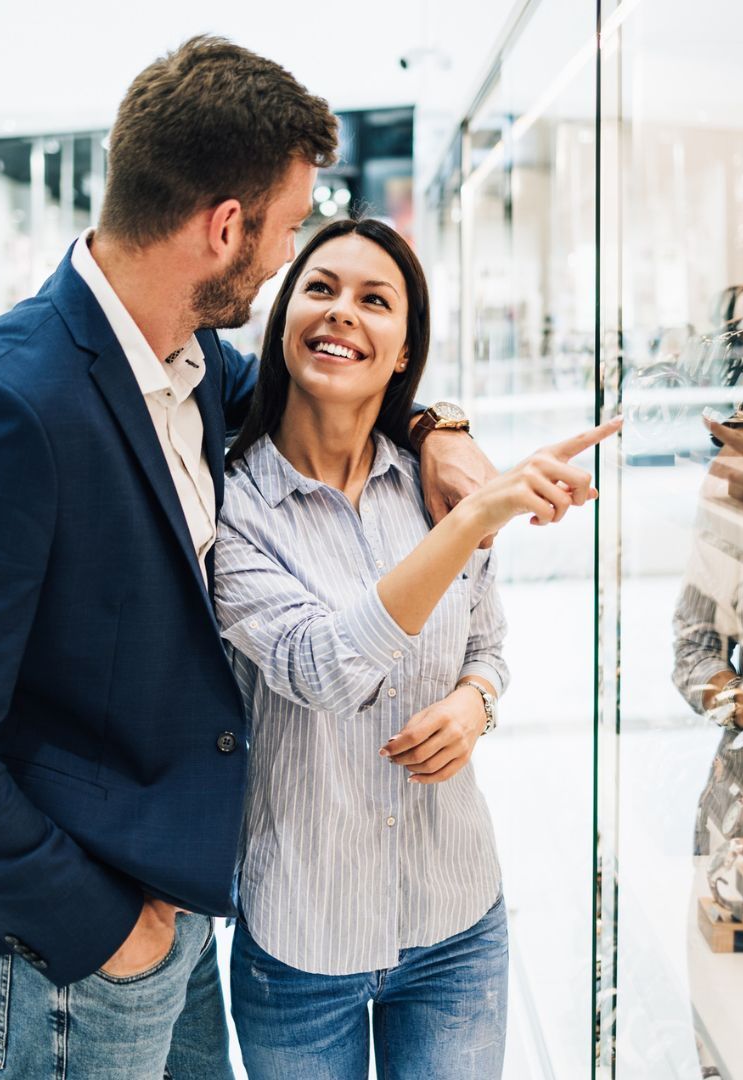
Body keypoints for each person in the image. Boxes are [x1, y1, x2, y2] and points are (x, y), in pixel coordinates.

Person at [0, 37, 496, 1080]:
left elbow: (319, 392)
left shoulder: (189, 362)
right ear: (225, 228)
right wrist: (105, 928)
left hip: (176, 893)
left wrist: (438, 429)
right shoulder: (7, 407)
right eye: (290, 231)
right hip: (70, 941)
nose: (289, 257)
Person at [215, 216, 620, 1079]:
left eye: (375, 299)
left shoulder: (435, 481)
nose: (342, 314)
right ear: (284, 320)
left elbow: (491, 649)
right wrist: (476, 518)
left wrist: (477, 705)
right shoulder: (235, 506)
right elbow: (322, 668)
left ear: (404, 351)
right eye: (319, 289)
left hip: (456, 925)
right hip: (301, 942)